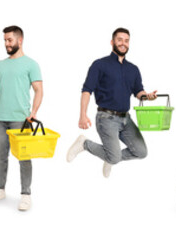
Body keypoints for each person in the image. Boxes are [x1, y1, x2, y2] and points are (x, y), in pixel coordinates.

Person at [66, 27, 156, 179]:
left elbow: (138, 92)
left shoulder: (133, 69)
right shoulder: (99, 65)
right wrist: (82, 115)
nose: (123, 43)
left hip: (126, 119)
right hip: (106, 118)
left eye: (126, 41)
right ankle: (84, 144)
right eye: (119, 40)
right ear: (112, 42)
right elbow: (87, 90)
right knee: (114, 157)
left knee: (141, 152)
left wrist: (147, 97)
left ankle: (109, 156)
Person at [0, 25, 44, 211]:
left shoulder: (31, 64)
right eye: (5, 40)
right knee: (1, 157)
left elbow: (39, 90)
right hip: (0, 119)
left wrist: (34, 112)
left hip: (21, 121)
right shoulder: (0, 65)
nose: (6, 44)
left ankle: (26, 195)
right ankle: (0, 190)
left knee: (24, 157)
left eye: (10, 40)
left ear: (20, 40)